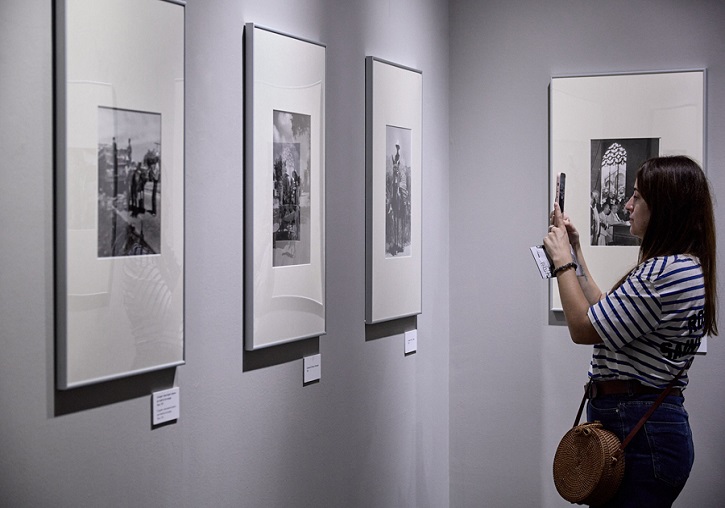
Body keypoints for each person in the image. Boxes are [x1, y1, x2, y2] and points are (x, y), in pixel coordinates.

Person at [543, 155, 718, 507]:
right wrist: (575, 251)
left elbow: (582, 327)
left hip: (639, 431)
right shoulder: (681, 265)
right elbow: (606, 310)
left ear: (663, 208)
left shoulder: (665, 272)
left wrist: (561, 261)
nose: (627, 204)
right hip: (642, 427)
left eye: (637, 196)